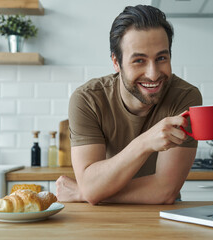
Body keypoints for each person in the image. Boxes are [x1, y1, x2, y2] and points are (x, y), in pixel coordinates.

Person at [56, 5, 202, 205]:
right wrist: (144, 143)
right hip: (103, 219)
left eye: (161, 58)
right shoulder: (87, 99)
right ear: (116, 62)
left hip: (162, 217)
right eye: (139, 60)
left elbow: (166, 191)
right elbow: (90, 185)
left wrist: (88, 194)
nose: (153, 73)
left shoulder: (184, 97)